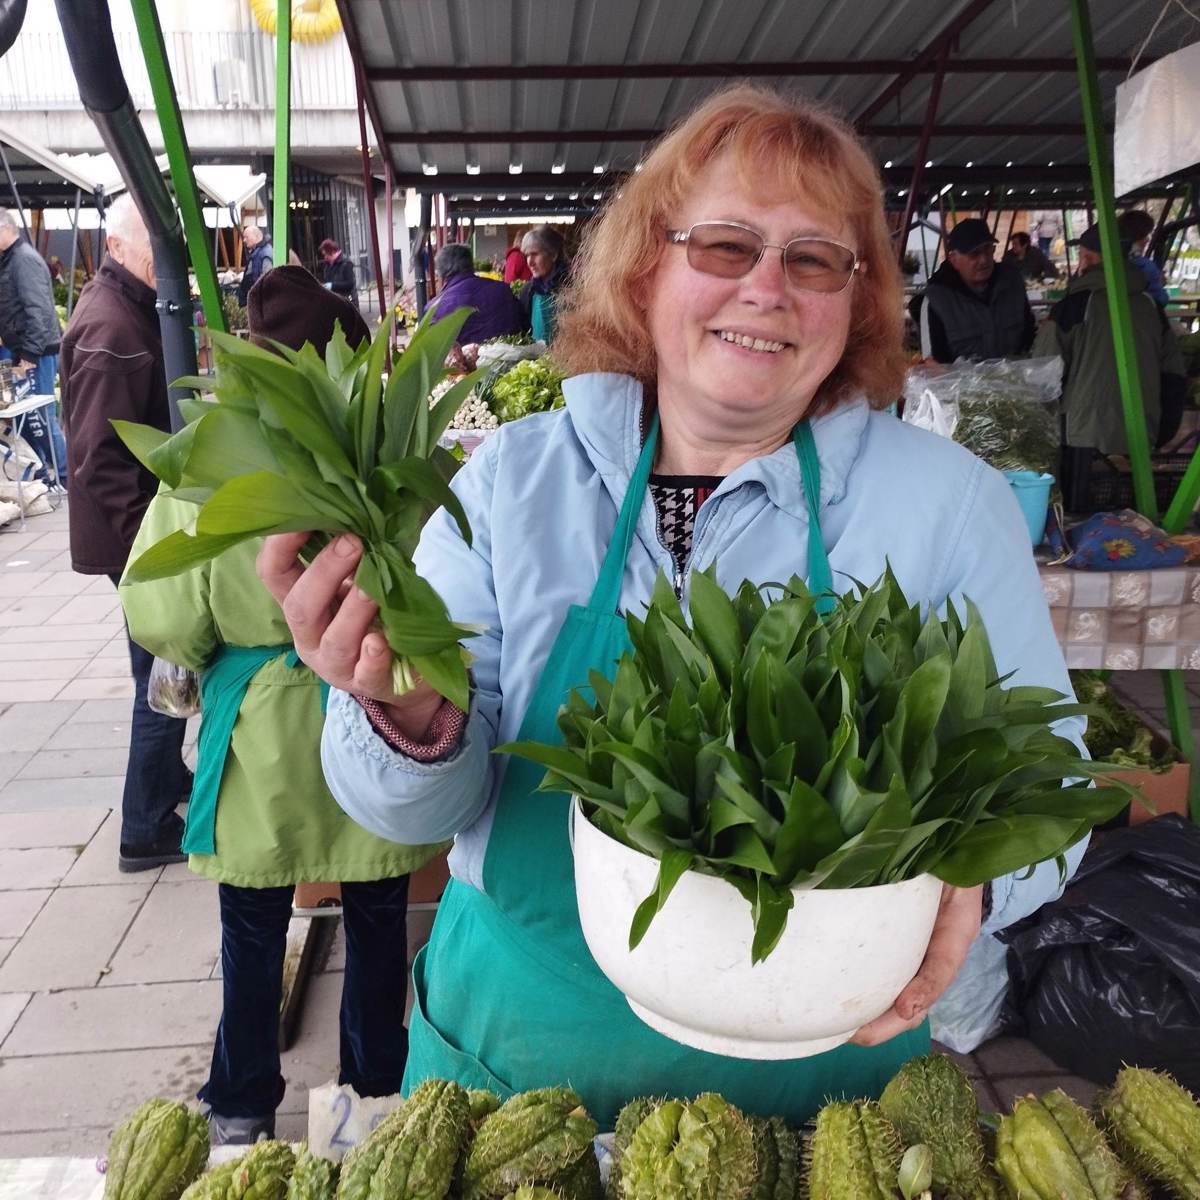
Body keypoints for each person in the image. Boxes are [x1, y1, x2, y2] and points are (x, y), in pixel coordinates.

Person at [259, 85, 1087, 1127]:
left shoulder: (946, 502)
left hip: (824, 1095)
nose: (768, 290)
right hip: (521, 1065)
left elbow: (1049, 784)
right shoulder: (515, 483)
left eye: (815, 259)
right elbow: (407, 814)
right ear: (646, 269)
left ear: (858, 298)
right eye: (727, 247)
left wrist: (978, 880)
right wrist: (409, 718)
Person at [120, 265, 445, 1143]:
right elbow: (437, 598)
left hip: (259, 739)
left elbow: (164, 614)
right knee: (381, 928)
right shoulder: (387, 455)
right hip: (374, 721)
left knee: (254, 932)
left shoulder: (203, 464)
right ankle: (367, 1108)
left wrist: (216, 643)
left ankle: (240, 1111)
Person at [59, 194, 190, 871]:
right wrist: (154, 544)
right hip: (132, 535)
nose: (167, 262)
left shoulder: (127, 309)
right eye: (153, 248)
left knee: (164, 662)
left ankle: (166, 787)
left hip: (132, 529)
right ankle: (142, 828)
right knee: (159, 670)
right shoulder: (112, 327)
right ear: (115, 248)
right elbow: (97, 457)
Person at [1033, 223, 1187, 512]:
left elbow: (1044, 374)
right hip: (1141, 434)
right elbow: (1174, 373)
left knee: (1080, 521)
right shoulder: (1150, 305)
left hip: (1082, 438)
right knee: (1134, 523)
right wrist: (1162, 429)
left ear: (1090, 259)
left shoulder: (1074, 305)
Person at [0, 209, 69, 487]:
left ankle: (65, 476)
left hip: (36, 352)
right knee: (27, 418)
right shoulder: (12, 259)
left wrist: (28, 355)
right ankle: (42, 474)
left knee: (40, 417)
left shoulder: (23, 260)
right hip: (26, 349)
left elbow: (39, 311)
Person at [909, 218, 1035, 363]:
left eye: (988, 249)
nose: (984, 260)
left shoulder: (1012, 281)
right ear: (953, 259)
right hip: (961, 385)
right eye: (974, 254)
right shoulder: (935, 300)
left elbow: (1029, 334)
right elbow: (933, 364)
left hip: (1015, 380)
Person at [429, 243, 525, 345]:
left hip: (463, 360)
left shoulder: (434, 309)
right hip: (514, 358)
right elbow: (524, 326)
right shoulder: (503, 290)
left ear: (441, 274)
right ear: (471, 265)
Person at [517, 224, 569, 342]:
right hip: (537, 359)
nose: (530, 262)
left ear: (553, 254)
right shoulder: (527, 291)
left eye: (535, 254)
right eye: (527, 256)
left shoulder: (572, 287)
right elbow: (524, 333)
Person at [1118, 209, 1170, 308]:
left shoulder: (1107, 263)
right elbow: (1161, 300)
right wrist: (1159, 284)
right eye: (1145, 235)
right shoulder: (1145, 266)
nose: (1148, 239)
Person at [237, 220, 273, 307]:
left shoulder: (265, 253)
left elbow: (267, 280)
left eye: (246, 237)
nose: (244, 240)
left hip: (258, 303)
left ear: (256, 236)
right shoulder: (257, 252)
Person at [319, 238, 357, 304]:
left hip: (347, 301)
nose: (325, 257)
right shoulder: (328, 264)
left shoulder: (346, 263)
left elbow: (350, 284)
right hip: (335, 300)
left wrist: (332, 285)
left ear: (333, 252)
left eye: (326, 254)